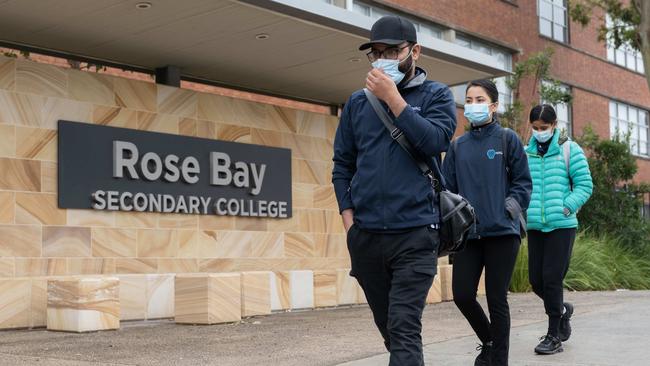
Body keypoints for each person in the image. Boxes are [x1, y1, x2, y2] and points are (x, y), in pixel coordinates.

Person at [332, 15, 457, 366]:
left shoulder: (437, 95)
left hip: (416, 233)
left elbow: (434, 141)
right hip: (367, 236)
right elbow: (342, 165)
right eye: (376, 53)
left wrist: (394, 99)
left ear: (414, 51)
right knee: (389, 328)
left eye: (392, 50)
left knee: (403, 327)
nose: (383, 58)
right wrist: (349, 223)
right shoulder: (357, 103)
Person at [442, 79, 532, 366]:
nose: (473, 105)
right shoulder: (457, 147)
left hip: (503, 233)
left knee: (496, 299)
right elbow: (447, 191)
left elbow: (522, 183)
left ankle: (499, 361)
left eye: (480, 99)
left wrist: (510, 208)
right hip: (468, 236)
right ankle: (491, 342)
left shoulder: (507, 139)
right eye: (469, 99)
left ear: (494, 105)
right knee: (462, 295)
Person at [525, 104, 593, 355]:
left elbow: (585, 185)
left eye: (544, 128)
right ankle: (563, 310)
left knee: (552, 279)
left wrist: (567, 207)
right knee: (536, 281)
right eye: (535, 128)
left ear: (554, 126)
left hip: (561, 225)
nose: (539, 132)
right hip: (535, 225)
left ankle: (554, 335)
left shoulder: (569, 150)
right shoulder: (525, 153)